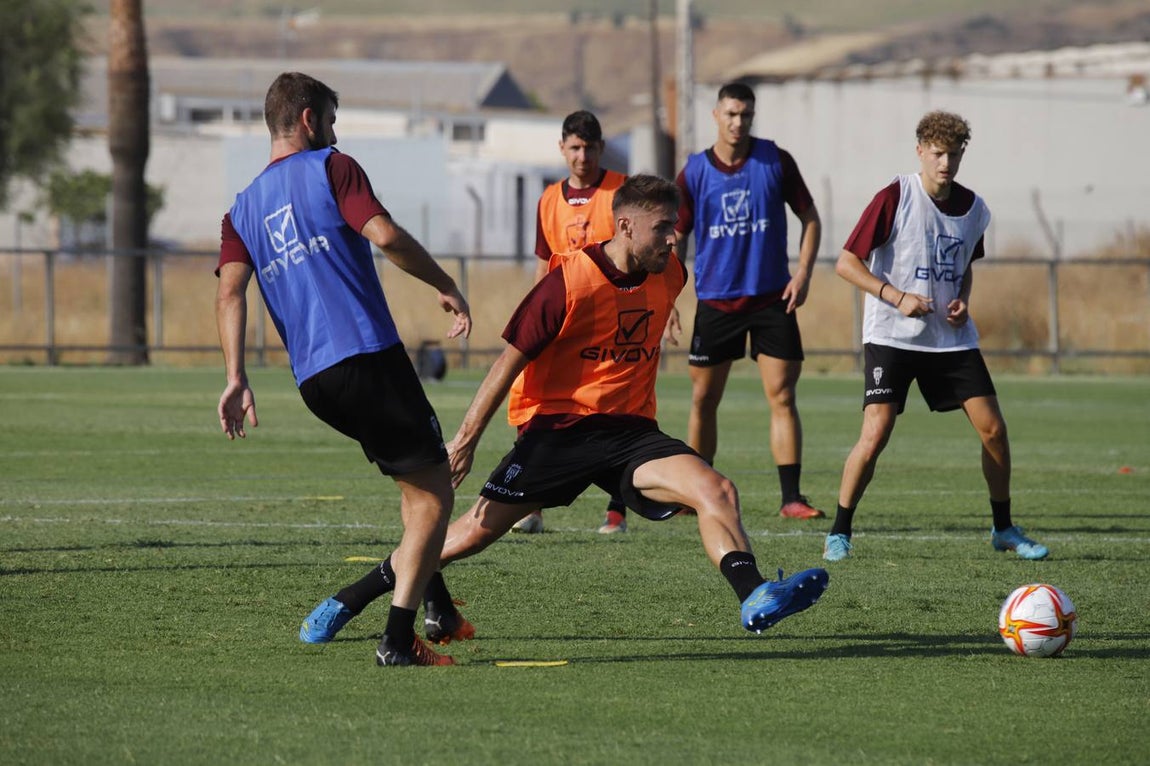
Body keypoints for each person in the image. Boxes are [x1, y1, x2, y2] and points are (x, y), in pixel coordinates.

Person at [300, 174, 829, 647]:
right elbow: (507, 364)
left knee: (717, 490)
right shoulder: (567, 281)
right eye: (663, 228)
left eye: (676, 228)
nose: (674, 239)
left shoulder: (671, 277)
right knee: (467, 536)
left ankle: (754, 594)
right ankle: (351, 597)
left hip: (631, 434)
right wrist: (465, 439)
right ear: (624, 226)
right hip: (558, 433)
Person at [215, 72, 474, 667]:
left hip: (314, 381)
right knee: (436, 495)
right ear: (309, 119)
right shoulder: (332, 166)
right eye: (330, 119)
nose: (334, 131)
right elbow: (384, 235)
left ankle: (439, 610)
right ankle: (396, 640)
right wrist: (445, 283)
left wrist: (236, 376)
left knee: (415, 488)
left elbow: (230, 294)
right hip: (366, 355)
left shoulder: (241, 210)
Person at [824, 109, 1049, 562]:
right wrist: (894, 295)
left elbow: (964, 268)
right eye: (937, 153)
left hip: (951, 339)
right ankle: (840, 530)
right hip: (893, 335)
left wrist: (963, 298)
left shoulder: (974, 209)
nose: (945, 163)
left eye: (954, 154)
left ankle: (1003, 527)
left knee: (994, 430)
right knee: (877, 432)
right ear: (921, 151)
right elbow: (847, 263)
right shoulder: (895, 196)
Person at [671, 82, 824, 521]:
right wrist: (670, 299)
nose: (739, 123)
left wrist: (804, 273)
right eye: (732, 114)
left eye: (746, 115)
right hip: (716, 302)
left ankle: (791, 498)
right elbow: (677, 237)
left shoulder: (774, 160)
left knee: (782, 396)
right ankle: (697, 493)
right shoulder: (695, 171)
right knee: (703, 400)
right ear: (716, 115)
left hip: (771, 299)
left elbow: (810, 218)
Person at [513, 109, 630, 535]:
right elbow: (546, 263)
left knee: (616, 410)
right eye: (575, 147)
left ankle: (617, 511)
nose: (582, 156)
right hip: (561, 319)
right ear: (562, 148)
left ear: (600, 148)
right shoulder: (548, 199)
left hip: (609, 319)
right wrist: (534, 314)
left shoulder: (621, 191)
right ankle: (530, 505)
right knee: (532, 400)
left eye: (590, 147)